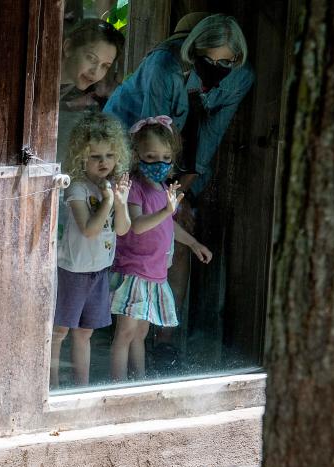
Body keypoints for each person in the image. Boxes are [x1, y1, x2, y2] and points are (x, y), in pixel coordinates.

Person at [104, 13, 253, 364]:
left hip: (174, 159)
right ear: (191, 48)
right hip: (132, 147)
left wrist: (181, 191)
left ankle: (163, 338)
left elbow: (211, 134)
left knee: (177, 231)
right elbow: (151, 138)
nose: (216, 67)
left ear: (236, 59)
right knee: (126, 235)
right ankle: (109, 323)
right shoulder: (164, 66)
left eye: (225, 62)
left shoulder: (240, 78)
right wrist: (156, 192)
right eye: (208, 59)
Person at [109, 116, 212, 382]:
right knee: (125, 333)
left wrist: (193, 242)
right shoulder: (135, 188)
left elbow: (169, 226)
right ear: (137, 155)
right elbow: (137, 226)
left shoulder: (163, 188)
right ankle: (116, 387)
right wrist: (167, 210)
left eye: (166, 157)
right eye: (151, 156)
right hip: (135, 272)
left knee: (140, 334)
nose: (159, 163)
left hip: (155, 275)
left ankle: (138, 381)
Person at [51, 112, 132, 388]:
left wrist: (119, 202)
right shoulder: (78, 189)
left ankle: (80, 386)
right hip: (73, 270)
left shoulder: (112, 188)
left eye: (109, 155)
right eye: (95, 156)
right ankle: (51, 384)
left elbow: (122, 229)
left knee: (85, 332)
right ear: (81, 157)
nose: (104, 163)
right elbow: (88, 228)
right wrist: (108, 201)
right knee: (60, 330)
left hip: (99, 270)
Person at [57, 19, 125, 161]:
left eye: (105, 66)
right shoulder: (38, 74)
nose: (95, 72)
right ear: (68, 47)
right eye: (91, 58)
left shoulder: (80, 88)